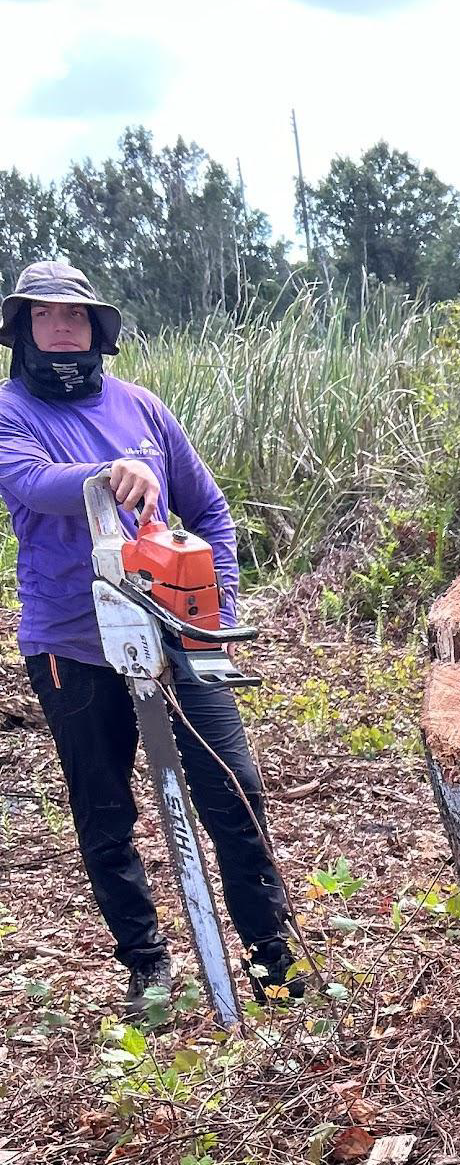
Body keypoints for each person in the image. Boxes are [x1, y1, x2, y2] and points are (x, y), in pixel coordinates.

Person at [0, 259, 300, 1009]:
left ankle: (273, 960)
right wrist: (112, 472)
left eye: (73, 317)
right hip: (71, 640)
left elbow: (213, 510)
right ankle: (148, 968)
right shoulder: (9, 411)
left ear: (97, 329)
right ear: (22, 331)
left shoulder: (143, 407)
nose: (61, 329)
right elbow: (33, 483)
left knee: (234, 790)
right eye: (44, 317)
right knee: (105, 811)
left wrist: (216, 602)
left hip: (179, 631)